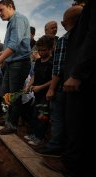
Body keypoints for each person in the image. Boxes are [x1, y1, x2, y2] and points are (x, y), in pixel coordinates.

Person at [43, 1, 96, 177]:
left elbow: (58, 68)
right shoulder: (70, 37)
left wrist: (76, 74)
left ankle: (73, 164)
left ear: (67, 23)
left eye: (61, 24)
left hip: (74, 82)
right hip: (76, 80)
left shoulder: (68, 39)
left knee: (74, 122)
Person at [37, 5, 83, 157]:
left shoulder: (64, 40)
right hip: (78, 85)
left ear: (64, 24)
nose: (55, 29)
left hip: (61, 87)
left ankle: (55, 146)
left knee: (57, 117)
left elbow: (58, 68)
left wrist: (51, 88)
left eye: (57, 26)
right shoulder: (85, 38)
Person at [0, 0, 31, 135]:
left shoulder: (18, 20)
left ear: (10, 7)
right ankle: (7, 119)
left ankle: (12, 125)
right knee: (6, 93)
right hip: (11, 63)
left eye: (1, 10)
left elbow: (14, 45)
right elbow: (11, 44)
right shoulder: (12, 21)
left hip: (19, 63)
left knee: (14, 95)